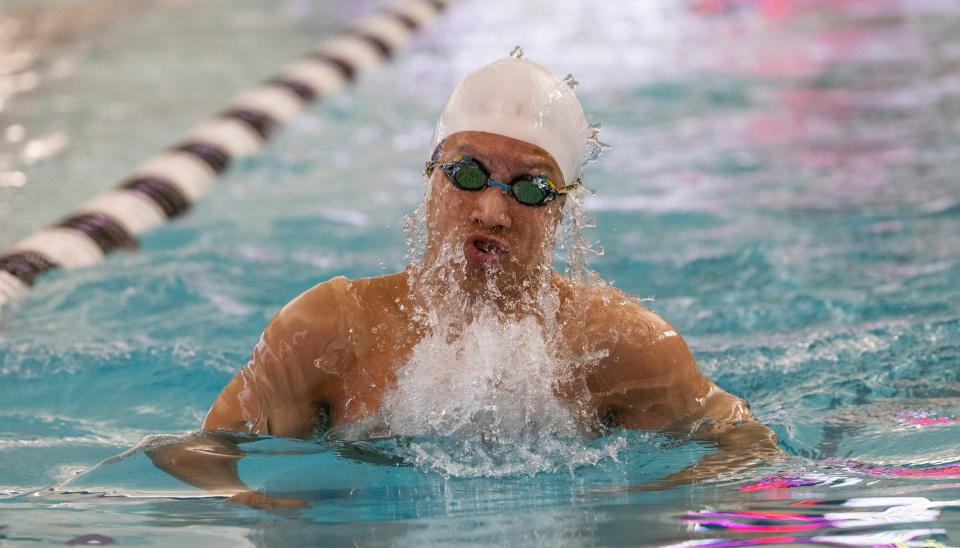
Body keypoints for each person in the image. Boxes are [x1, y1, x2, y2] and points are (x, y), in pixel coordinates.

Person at [149, 53, 782, 509]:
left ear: (560, 211)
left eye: (531, 188)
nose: (492, 213)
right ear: (431, 179)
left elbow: (746, 444)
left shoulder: (620, 346)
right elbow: (195, 453)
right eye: (469, 174)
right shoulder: (327, 329)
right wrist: (267, 510)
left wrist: (639, 505)